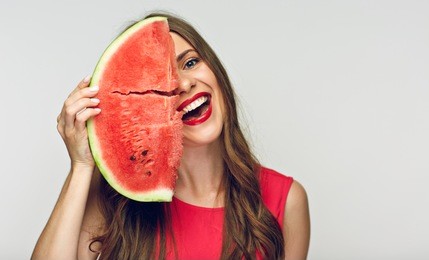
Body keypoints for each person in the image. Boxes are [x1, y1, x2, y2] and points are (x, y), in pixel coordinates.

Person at [32, 12, 310, 260]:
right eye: (157, 82)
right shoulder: (114, 201)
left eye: (190, 63)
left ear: (216, 70)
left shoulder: (286, 199)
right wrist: (81, 166)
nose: (183, 84)